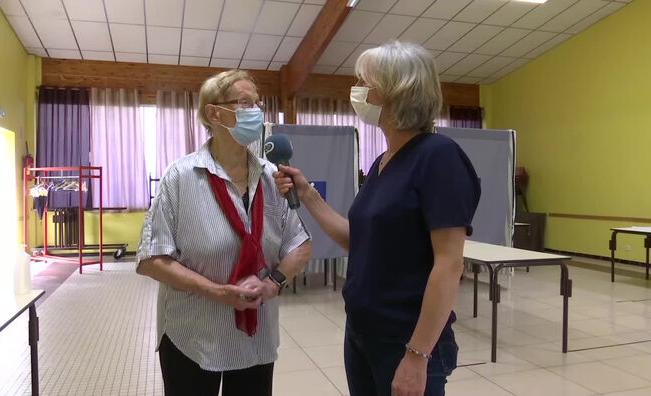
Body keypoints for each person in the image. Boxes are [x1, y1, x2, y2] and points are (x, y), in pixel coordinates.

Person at [274, 41, 481, 396]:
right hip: (361, 331)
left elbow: (449, 265)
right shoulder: (383, 162)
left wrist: (417, 356)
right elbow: (359, 240)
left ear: (398, 91)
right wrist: (307, 193)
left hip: (406, 339)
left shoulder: (439, 157)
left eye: (365, 81)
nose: (357, 90)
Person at [136, 69, 312, 396]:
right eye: (245, 103)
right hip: (193, 336)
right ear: (214, 113)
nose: (257, 112)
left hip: (255, 339)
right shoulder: (181, 176)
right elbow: (152, 258)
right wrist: (218, 292)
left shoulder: (272, 176)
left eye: (259, 104)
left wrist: (274, 282)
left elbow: (300, 244)